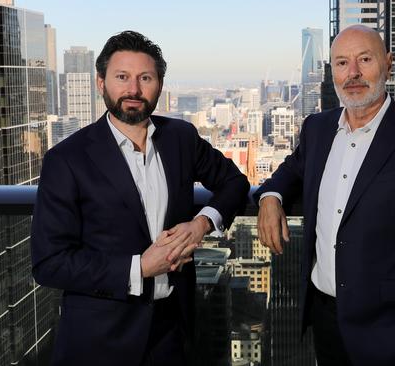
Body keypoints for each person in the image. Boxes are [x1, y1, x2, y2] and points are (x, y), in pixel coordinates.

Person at [31, 30, 249, 366]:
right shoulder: (66, 159)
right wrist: (139, 268)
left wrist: (201, 224)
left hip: (172, 332)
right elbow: (49, 263)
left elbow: (234, 182)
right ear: (100, 83)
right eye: (122, 77)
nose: (133, 89)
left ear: (160, 85)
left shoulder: (180, 137)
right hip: (100, 340)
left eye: (145, 78)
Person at [255, 25, 395, 366]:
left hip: (392, 329)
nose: (352, 73)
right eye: (341, 63)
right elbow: (290, 170)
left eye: (364, 59)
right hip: (325, 319)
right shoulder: (317, 129)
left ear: (388, 64)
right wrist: (270, 197)